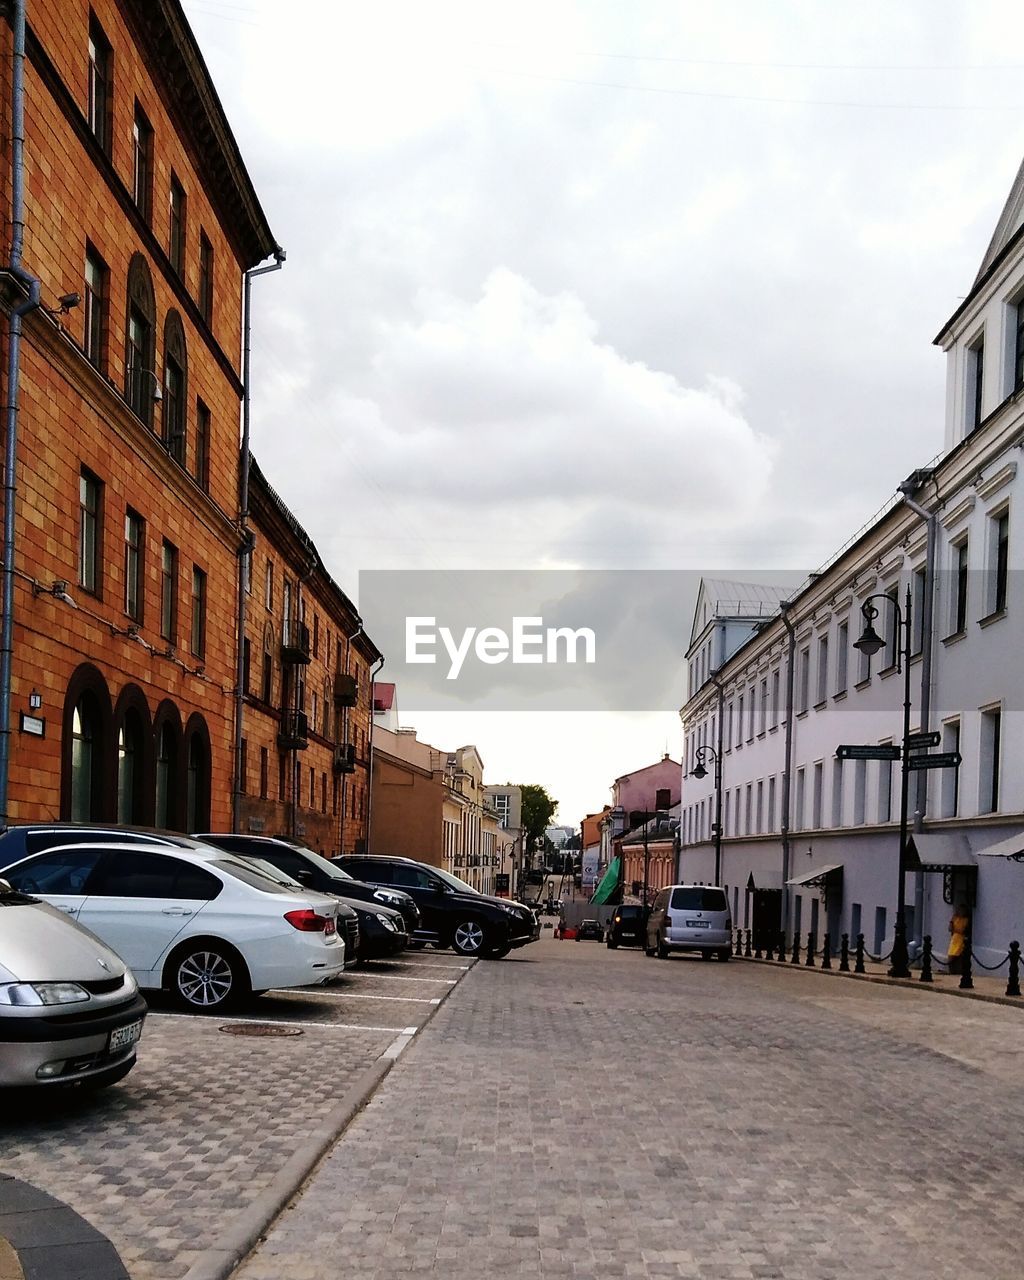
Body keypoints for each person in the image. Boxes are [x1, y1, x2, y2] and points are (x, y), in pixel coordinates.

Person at [948, 901, 970, 974]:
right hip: (955, 938)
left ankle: (959, 971)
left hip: (961, 938)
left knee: (959, 954)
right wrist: (952, 924)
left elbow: (964, 930)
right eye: (960, 910)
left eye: (963, 910)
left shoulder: (966, 920)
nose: (961, 912)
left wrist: (955, 929)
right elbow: (950, 928)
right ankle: (951, 971)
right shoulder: (955, 918)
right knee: (951, 954)